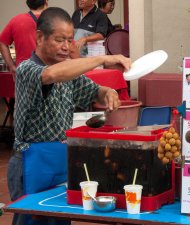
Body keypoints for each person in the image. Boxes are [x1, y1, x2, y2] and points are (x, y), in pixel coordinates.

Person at [7, 7, 131, 225]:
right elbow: (51, 75)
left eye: (70, 40)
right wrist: (102, 59)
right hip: (32, 162)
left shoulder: (69, 72)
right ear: (39, 37)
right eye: (59, 40)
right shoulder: (28, 69)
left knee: (61, 218)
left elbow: (95, 91)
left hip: (61, 160)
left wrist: (108, 92)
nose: (66, 47)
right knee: (32, 219)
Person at [0, 0, 48, 78]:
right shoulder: (54, 20)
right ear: (46, 2)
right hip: (48, 72)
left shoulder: (16, 20)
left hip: (23, 73)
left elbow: (2, 42)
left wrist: (12, 67)